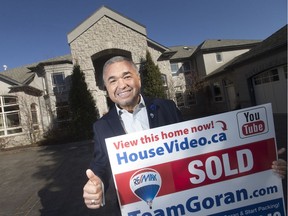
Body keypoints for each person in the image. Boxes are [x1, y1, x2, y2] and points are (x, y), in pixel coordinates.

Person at [83, 56, 287, 213]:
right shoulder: (102, 127)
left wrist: (261, 156)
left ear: (138, 78)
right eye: (113, 80)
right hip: (138, 209)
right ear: (106, 89)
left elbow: (198, 149)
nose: (122, 85)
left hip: (183, 204)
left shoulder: (167, 108)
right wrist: (97, 185)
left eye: (127, 76)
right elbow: (101, 165)